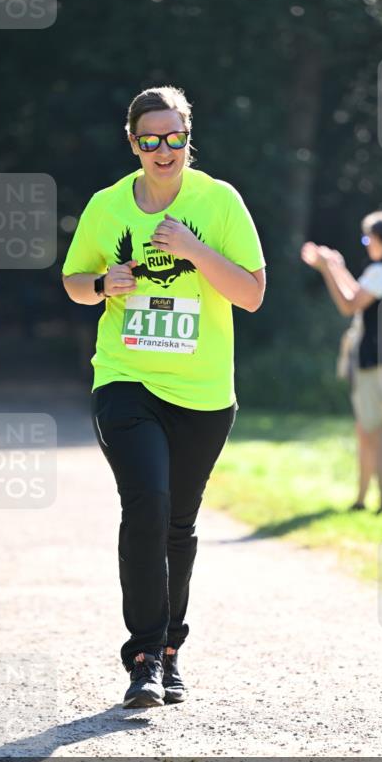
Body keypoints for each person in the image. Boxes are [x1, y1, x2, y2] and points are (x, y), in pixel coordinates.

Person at [62, 86, 266, 708]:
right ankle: (144, 656)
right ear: (133, 143)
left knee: (178, 523)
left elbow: (252, 294)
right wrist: (104, 283)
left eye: (175, 137)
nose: (164, 149)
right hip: (126, 379)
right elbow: (74, 281)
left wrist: (193, 250)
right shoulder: (106, 206)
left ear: (187, 137)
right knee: (147, 504)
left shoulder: (219, 201)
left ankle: (171, 650)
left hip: (203, 392)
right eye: (150, 139)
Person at [301, 211, 382, 514]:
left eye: (367, 239)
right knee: (368, 431)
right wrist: (337, 267)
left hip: (378, 361)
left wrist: (327, 270)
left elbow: (348, 304)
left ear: (379, 240)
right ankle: (362, 500)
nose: (366, 245)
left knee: (374, 433)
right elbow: (359, 294)